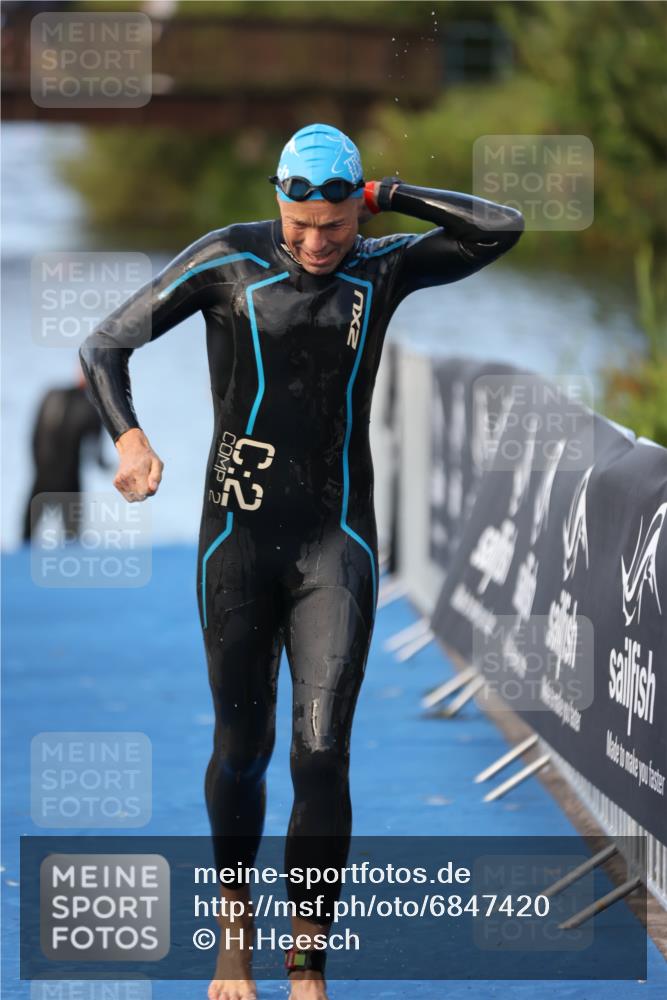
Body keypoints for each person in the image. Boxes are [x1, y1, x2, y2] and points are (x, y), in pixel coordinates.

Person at [79, 122, 524, 1000]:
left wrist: (388, 196)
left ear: (354, 213)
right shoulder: (225, 262)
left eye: (333, 226)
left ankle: (307, 968)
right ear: (276, 206)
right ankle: (234, 939)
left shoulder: (384, 265)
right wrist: (129, 439)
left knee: (322, 758)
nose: (317, 245)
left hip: (336, 544)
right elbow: (103, 346)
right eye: (298, 227)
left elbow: (498, 228)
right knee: (241, 752)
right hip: (235, 544)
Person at [22, 368, 109, 542]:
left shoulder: (53, 395)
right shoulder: (89, 409)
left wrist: (37, 464)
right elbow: (98, 457)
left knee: (29, 536)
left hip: (44, 475)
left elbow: (33, 437)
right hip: (64, 478)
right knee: (70, 538)